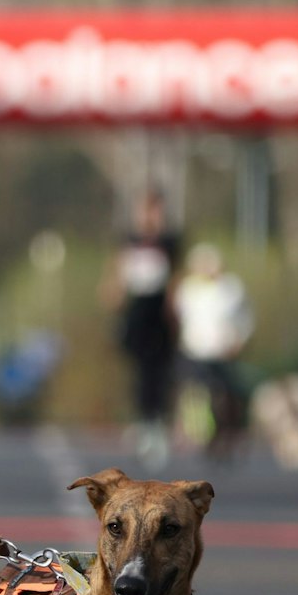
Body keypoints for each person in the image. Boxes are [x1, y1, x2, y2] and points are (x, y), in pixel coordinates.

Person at [108, 189, 180, 468]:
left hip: (159, 312)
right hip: (137, 311)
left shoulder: (170, 242)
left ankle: (157, 424)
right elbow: (118, 275)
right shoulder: (129, 241)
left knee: (159, 371)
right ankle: (143, 422)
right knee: (139, 370)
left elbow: (176, 278)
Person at [173, 243, 252, 462]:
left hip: (223, 353)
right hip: (196, 351)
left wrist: (240, 339)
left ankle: (227, 434)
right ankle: (199, 433)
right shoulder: (188, 289)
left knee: (225, 395)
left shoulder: (231, 289)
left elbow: (245, 318)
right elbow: (182, 318)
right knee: (197, 395)